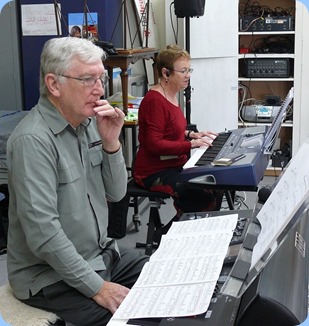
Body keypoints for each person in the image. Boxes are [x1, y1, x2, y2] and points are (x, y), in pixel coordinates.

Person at [6, 37, 149, 326]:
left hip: (99, 256)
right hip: (49, 275)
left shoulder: (88, 123)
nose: (99, 89)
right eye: (87, 79)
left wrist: (112, 144)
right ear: (54, 84)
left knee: (164, 276)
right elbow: (44, 234)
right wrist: (98, 288)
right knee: (129, 318)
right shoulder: (33, 140)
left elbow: (117, 192)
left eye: (101, 78)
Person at [133, 45, 223, 239]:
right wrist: (190, 145)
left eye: (189, 70)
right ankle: (166, 237)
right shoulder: (155, 101)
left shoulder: (171, 95)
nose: (188, 75)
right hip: (153, 172)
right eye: (183, 71)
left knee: (216, 184)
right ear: (166, 72)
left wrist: (191, 135)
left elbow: (171, 130)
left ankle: (183, 233)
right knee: (201, 195)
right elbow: (155, 144)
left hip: (173, 165)